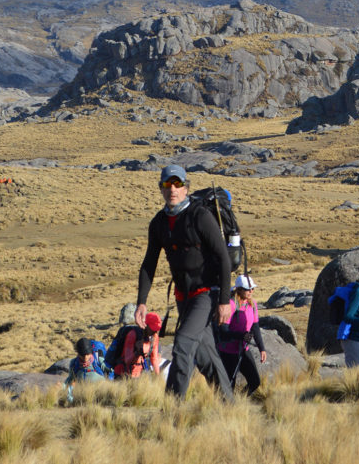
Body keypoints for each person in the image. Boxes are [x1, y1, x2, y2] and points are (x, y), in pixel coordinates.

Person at [135, 164, 233, 399]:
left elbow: (223, 258)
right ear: (161, 189)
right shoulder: (158, 223)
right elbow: (149, 263)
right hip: (183, 296)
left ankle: (172, 408)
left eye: (177, 184)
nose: (172, 189)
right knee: (205, 355)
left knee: (183, 343)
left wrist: (224, 301)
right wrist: (141, 302)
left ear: (186, 188)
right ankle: (230, 405)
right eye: (168, 184)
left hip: (207, 293)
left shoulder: (200, 216)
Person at [216, 274, 267, 394]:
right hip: (228, 352)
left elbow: (255, 327)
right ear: (238, 289)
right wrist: (241, 336)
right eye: (247, 289)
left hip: (244, 349)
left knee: (255, 381)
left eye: (252, 289)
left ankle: (240, 401)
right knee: (229, 386)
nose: (251, 291)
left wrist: (262, 349)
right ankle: (229, 407)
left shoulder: (252, 304)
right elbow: (223, 330)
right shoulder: (231, 304)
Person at [113, 312, 163, 378]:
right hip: (122, 374)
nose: (155, 332)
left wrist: (158, 377)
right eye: (153, 329)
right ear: (145, 325)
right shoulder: (133, 334)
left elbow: (154, 359)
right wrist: (137, 351)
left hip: (139, 373)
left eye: (156, 329)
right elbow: (127, 360)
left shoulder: (154, 337)